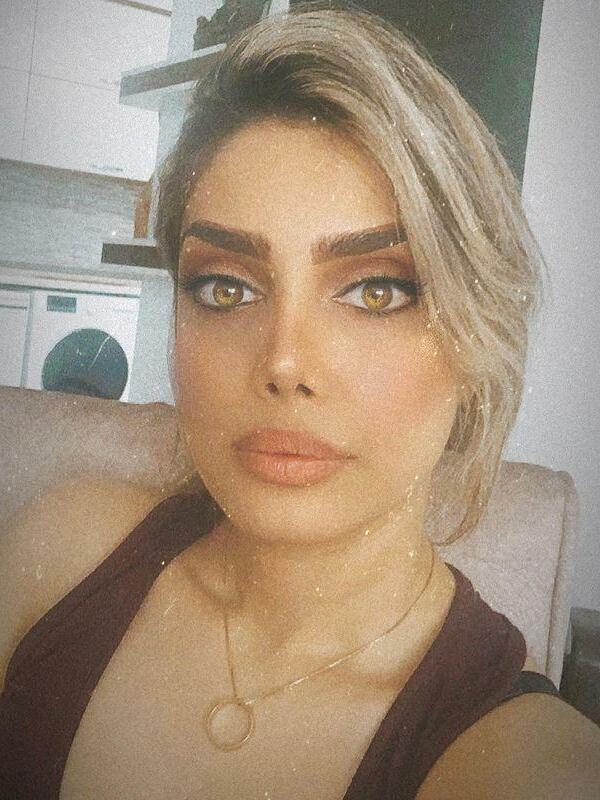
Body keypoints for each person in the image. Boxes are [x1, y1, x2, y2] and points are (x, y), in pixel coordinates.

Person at [1, 2, 600, 798]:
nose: (284, 363)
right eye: (225, 286)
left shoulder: (528, 764)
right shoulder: (62, 551)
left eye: (378, 290)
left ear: (475, 338)